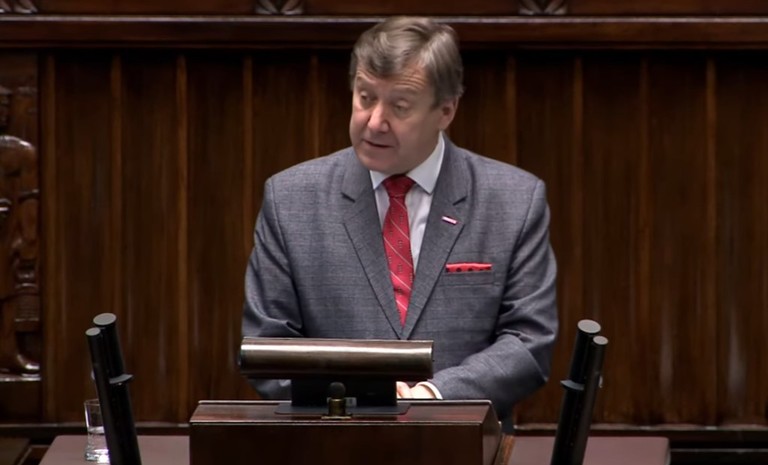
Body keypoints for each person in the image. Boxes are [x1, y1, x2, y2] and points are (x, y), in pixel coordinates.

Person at [242, 16, 557, 418]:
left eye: (400, 106)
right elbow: (267, 347)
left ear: (446, 111)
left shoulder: (514, 200)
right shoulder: (291, 199)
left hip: (462, 439)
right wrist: (362, 394)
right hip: (332, 437)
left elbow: (528, 342)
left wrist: (433, 395)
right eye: (365, 97)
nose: (375, 122)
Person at [0, 84, 40, 375]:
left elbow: (29, 198)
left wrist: (28, 237)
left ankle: (7, 350)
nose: (2, 113)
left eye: (5, 106)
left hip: (6, 233)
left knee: (7, 291)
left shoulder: (20, 151)